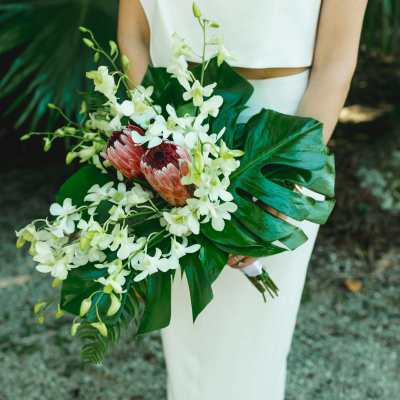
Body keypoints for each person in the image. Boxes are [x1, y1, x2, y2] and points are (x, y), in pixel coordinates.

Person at [117, 1, 368, 399]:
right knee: (189, 344)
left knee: (258, 343)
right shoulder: (162, 141)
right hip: (171, 124)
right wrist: (155, 146)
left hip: (282, 136)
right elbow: (132, 36)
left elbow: (335, 63)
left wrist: (281, 188)